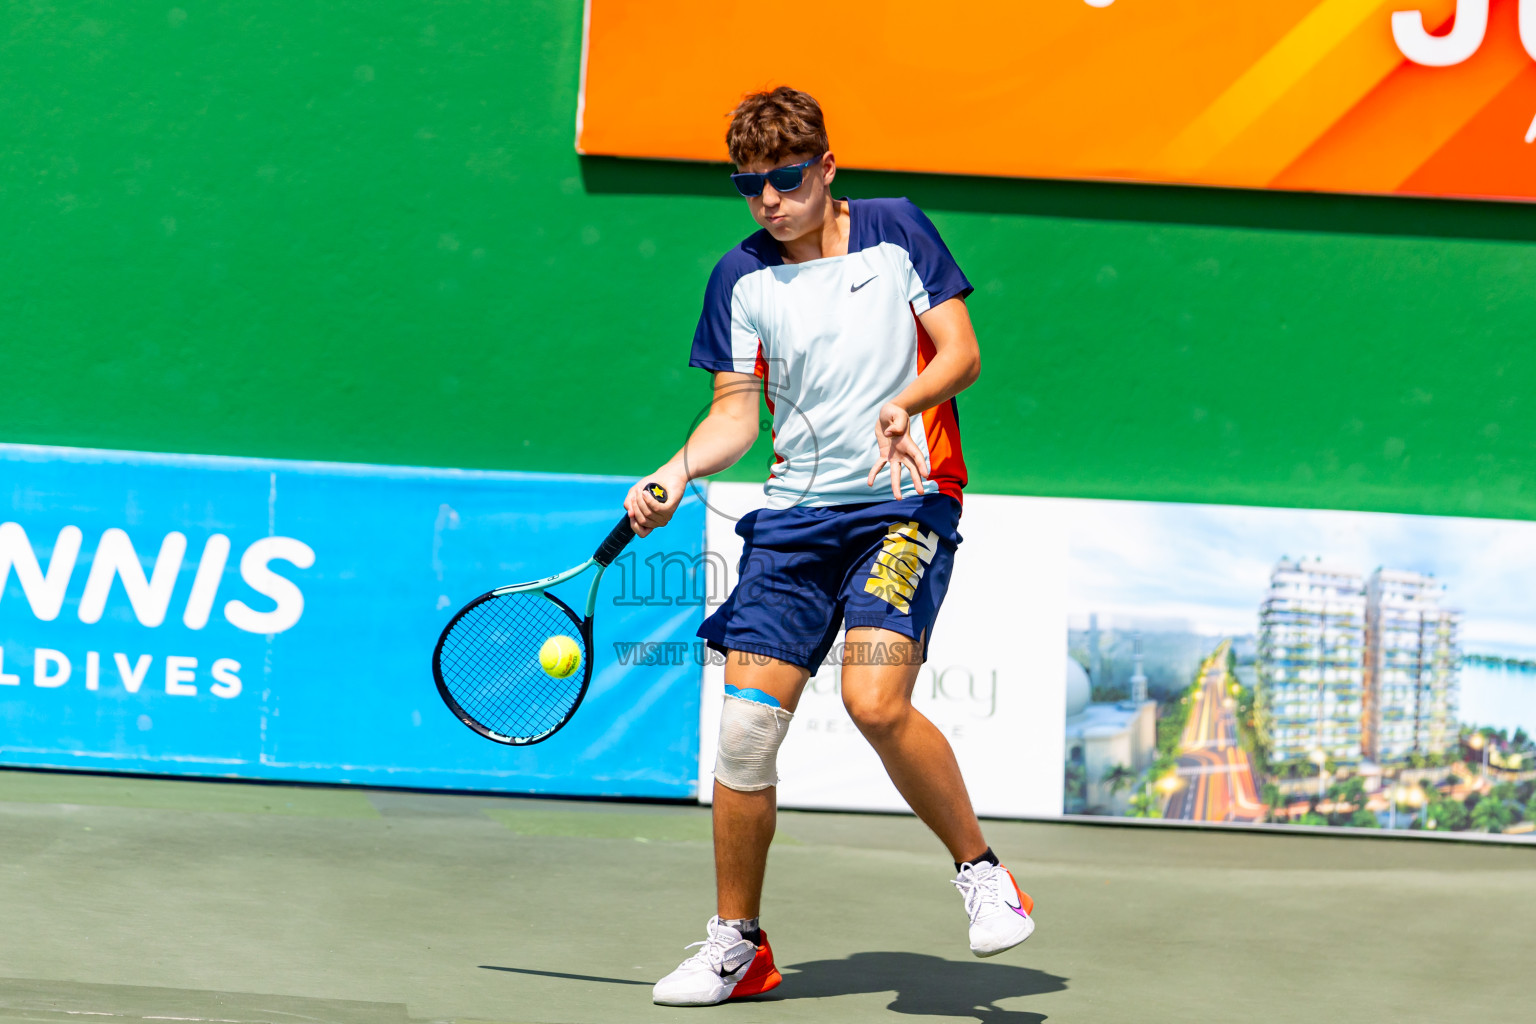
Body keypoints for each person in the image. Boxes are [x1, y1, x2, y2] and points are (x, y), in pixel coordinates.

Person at [623, 86, 1033, 1008]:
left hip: (904, 505)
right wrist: (677, 472)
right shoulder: (741, 276)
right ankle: (739, 945)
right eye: (749, 184)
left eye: (786, 178)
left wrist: (907, 403)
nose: (769, 198)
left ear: (827, 167)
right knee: (744, 729)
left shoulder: (896, 232)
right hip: (794, 523)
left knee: (874, 698)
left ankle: (982, 872)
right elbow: (736, 411)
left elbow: (960, 353)